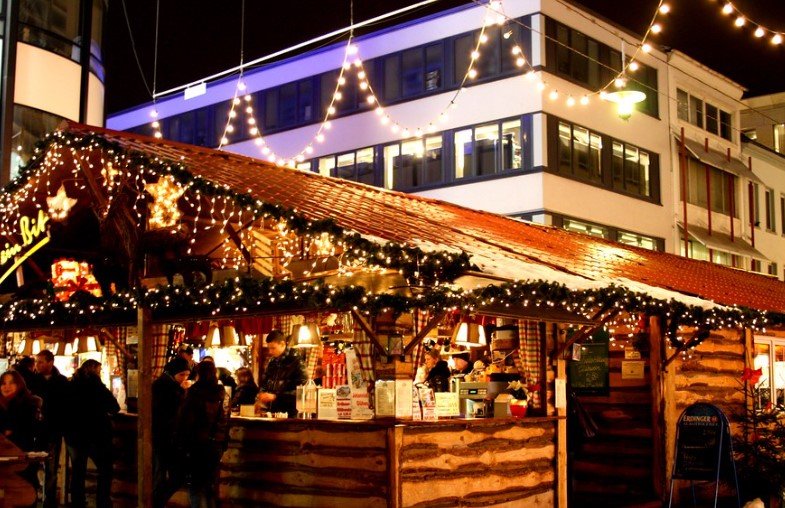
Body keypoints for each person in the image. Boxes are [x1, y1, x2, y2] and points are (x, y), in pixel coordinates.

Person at [65, 360, 120, 508]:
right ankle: (102, 501)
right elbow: (115, 407)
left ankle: (77, 502)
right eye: (99, 370)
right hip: (96, 434)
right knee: (105, 469)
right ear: (95, 369)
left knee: (78, 470)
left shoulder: (71, 384)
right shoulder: (97, 386)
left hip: (74, 435)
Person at [176, 361, 228, 508]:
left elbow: (186, 420)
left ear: (198, 374)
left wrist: (181, 444)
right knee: (209, 486)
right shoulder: (222, 393)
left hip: (197, 445)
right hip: (216, 444)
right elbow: (225, 420)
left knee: (195, 486)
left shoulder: (194, 392)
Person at [152, 358, 191, 508]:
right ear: (172, 372)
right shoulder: (164, 387)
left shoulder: (169, 385)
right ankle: (155, 503)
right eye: (182, 375)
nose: (185, 378)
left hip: (168, 440)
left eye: (187, 375)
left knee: (172, 476)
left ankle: (156, 503)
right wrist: (184, 393)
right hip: (164, 439)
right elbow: (170, 413)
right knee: (165, 476)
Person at [33, 350, 69, 508]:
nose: (37, 365)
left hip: (54, 430)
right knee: (32, 466)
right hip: (35, 430)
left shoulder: (62, 382)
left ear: (50, 362)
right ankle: (32, 498)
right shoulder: (33, 380)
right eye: (36, 362)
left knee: (52, 468)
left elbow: (67, 406)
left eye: (40, 362)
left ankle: (49, 502)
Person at [257, 330, 307, 417]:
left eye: (273, 348)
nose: (270, 352)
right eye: (269, 348)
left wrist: (276, 397)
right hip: (271, 412)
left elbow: (302, 391)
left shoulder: (297, 361)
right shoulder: (272, 362)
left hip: (289, 414)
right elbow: (265, 383)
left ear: (283, 344)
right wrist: (260, 398)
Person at [0, 370, 42, 451]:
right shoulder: (1, 405)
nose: (6, 387)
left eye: (11, 383)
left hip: (21, 454)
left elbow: (28, 431)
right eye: (3, 383)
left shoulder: (28, 405)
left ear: (19, 385)